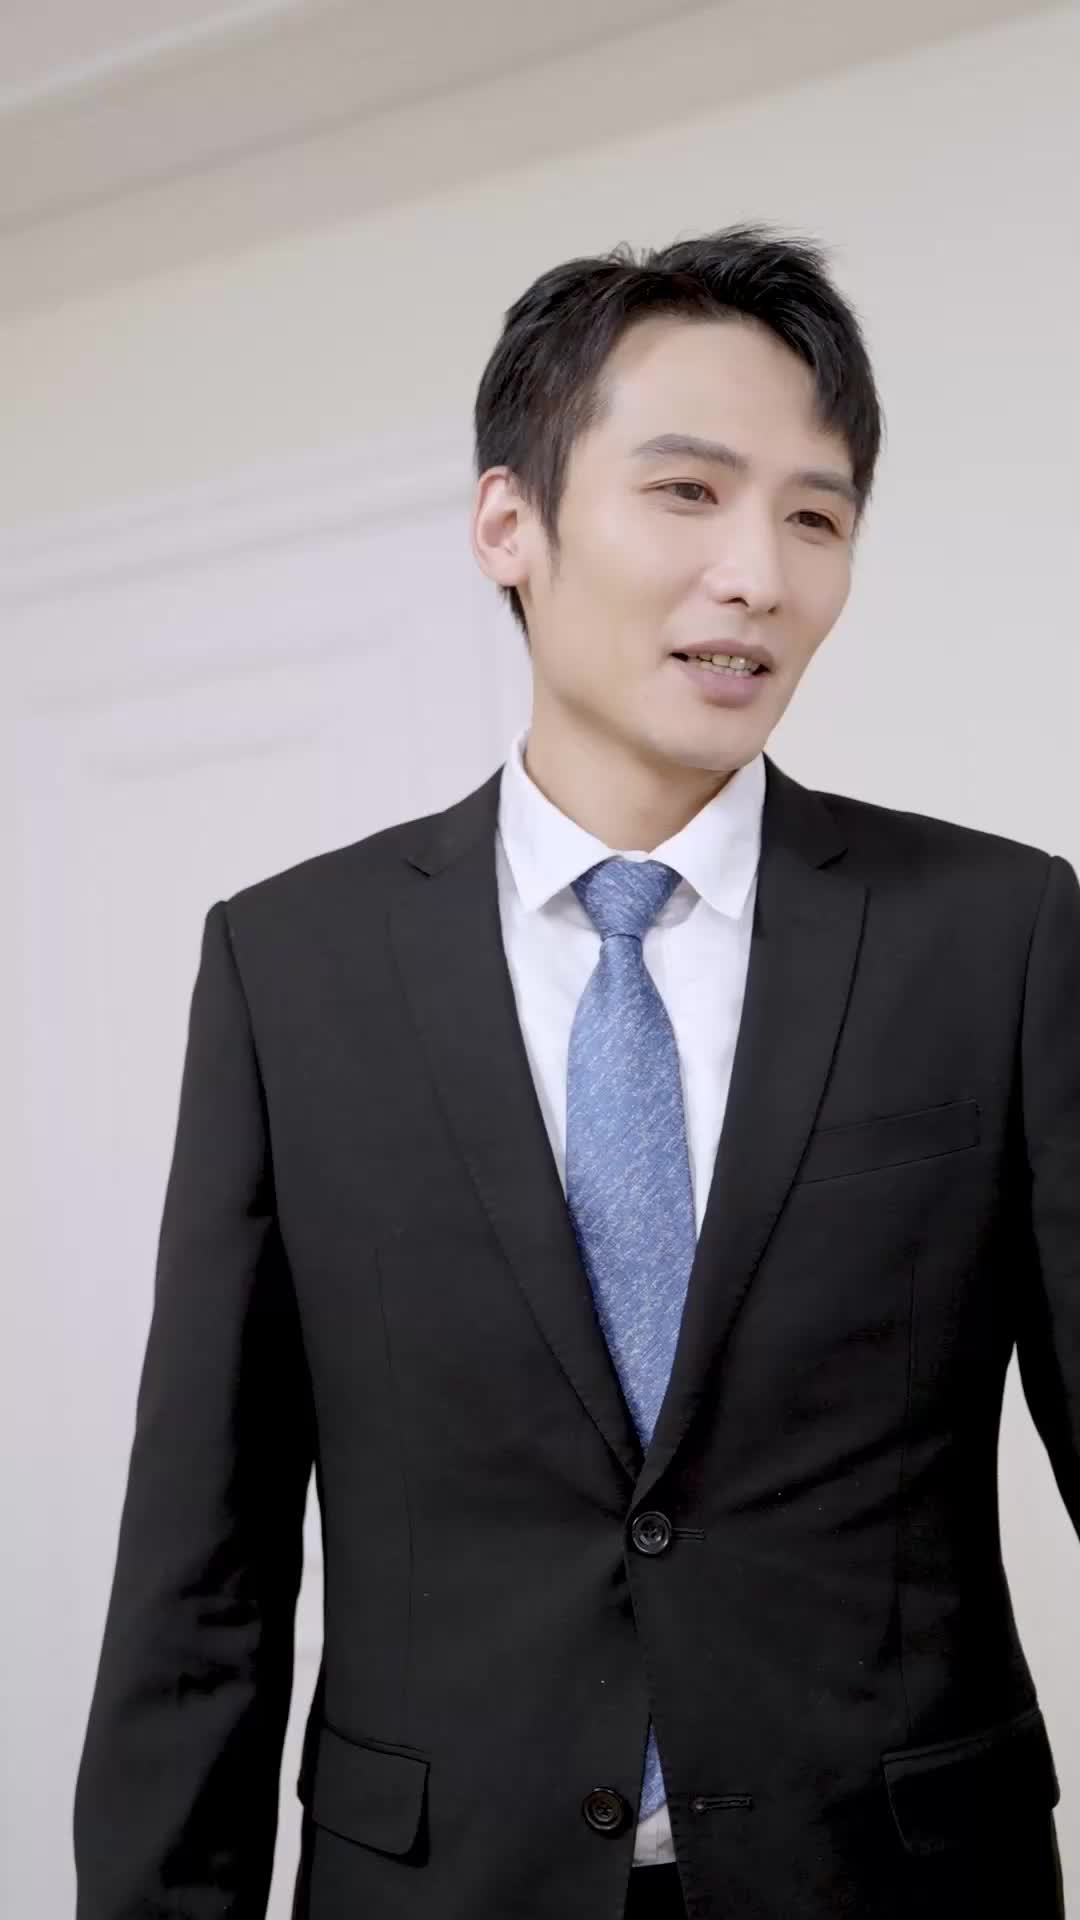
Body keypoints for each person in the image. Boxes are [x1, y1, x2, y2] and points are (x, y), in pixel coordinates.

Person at [73, 223, 1076, 1920]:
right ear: (509, 524)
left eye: (816, 517)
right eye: (688, 492)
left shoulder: (998, 936)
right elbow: (202, 1572)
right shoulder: (290, 970)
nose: (759, 576)